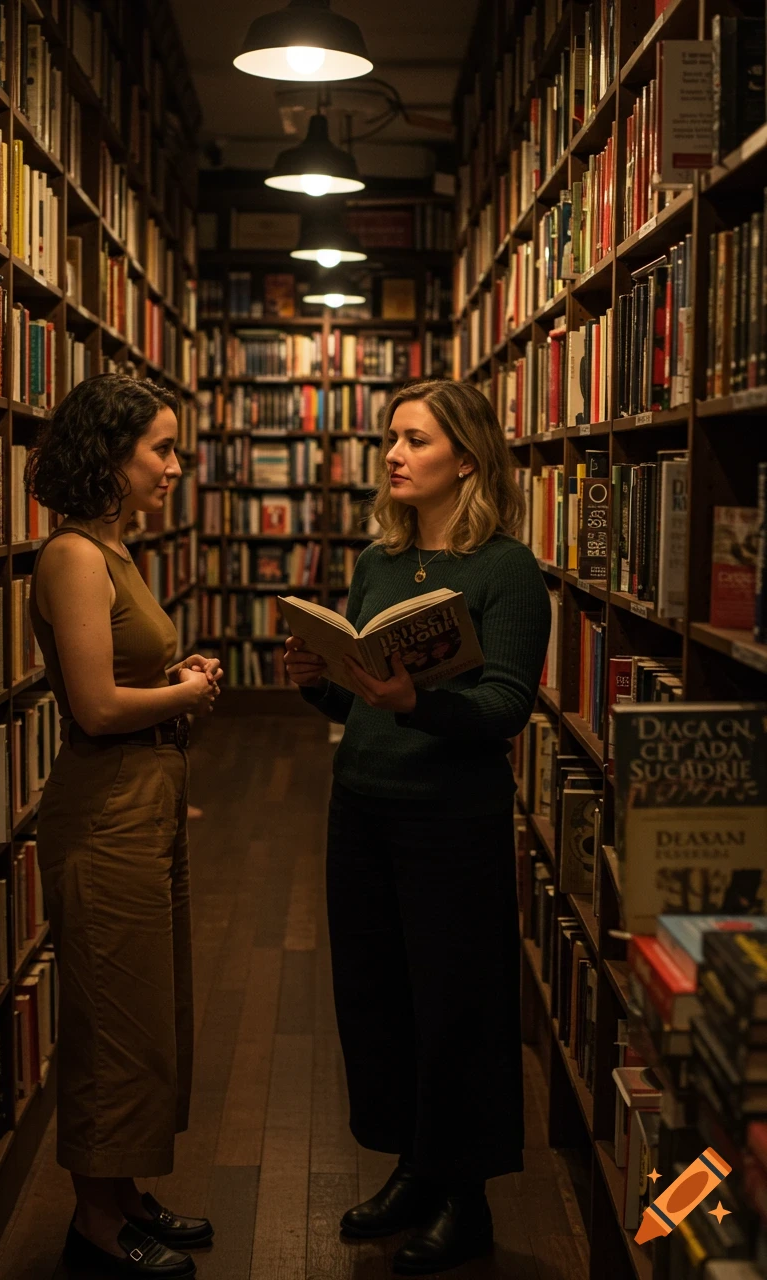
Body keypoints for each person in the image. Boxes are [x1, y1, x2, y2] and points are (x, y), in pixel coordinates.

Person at [284, 379, 551, 1275]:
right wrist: (319, 677)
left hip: (451, 818)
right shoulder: (380, 561)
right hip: (360, 804)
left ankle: (464, 1197)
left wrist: (416, 704)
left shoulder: (505, 568)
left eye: (415, 440)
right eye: (392, 438)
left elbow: (506, 705)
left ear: (466, 459)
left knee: (457, 1007)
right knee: (379, 999)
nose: (393, 454)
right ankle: (412, 1165)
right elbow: (365, 697)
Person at [26, 374, 223, 1277]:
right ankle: (94, 1225)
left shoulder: (117, 550)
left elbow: (123, 677)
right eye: (163, 450)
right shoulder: (73, 555)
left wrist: (175, 678)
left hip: (142, 804)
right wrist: (182, 692)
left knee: (146, 1011)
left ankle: (126, 1192)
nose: (176, 467)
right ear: (111, 456)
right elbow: (99, 706)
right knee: (109, 1016)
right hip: (105, 811)